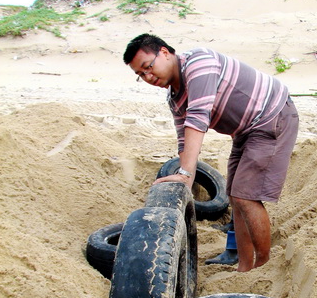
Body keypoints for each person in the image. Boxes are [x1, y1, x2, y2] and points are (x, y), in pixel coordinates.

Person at [123, 34, 299, 272]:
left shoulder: (198, 63)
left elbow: (197, 119)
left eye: (148, 67)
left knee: (246, 197)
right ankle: (245, 268)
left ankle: (264, 267)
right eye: (140, 75)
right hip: (243, 131)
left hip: (271, 116)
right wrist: (184, 176)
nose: (148, 77)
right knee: (236, 197)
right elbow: (184, 139)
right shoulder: (175, 98)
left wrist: (186, 174)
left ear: (164, 52)